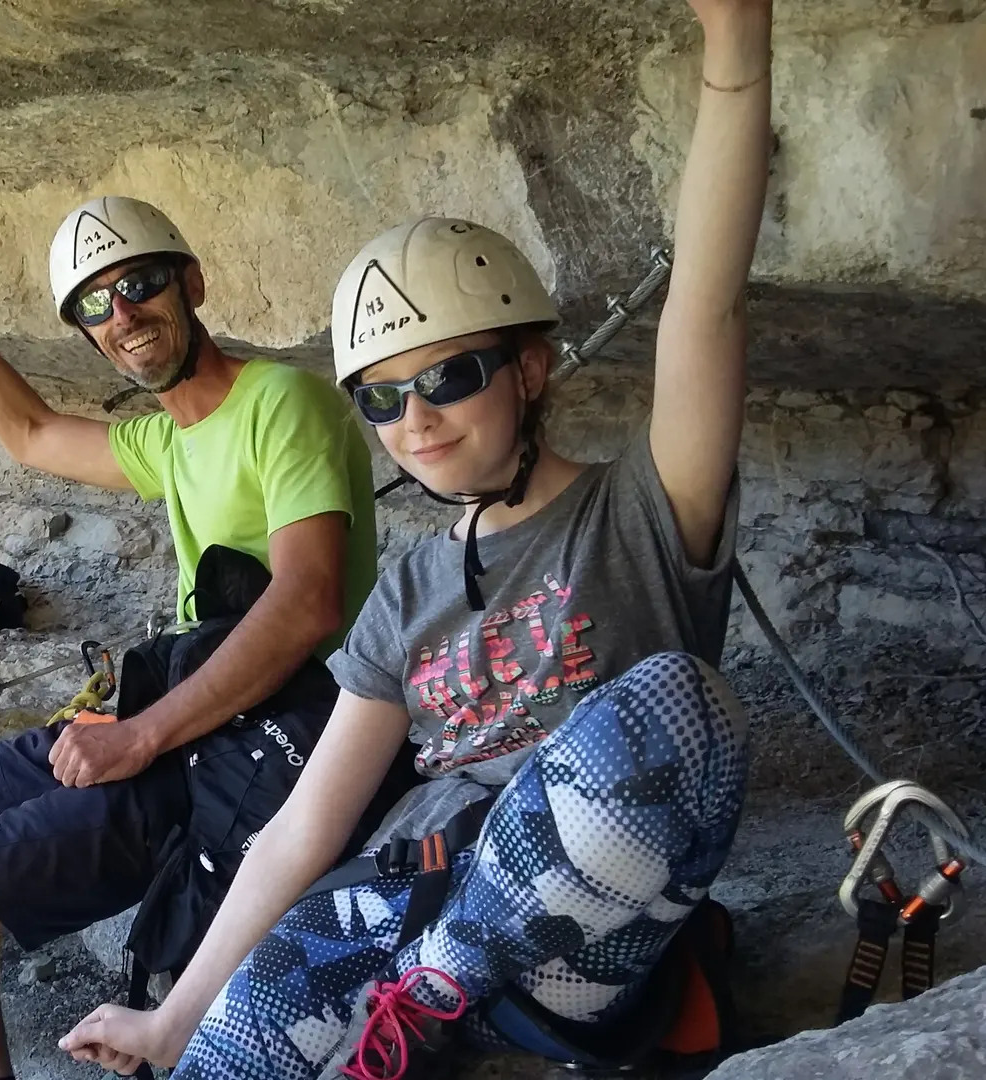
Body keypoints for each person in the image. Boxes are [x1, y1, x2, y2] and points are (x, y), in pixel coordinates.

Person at [57, 2, 770, 1076]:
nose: (417, 420)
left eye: (450, 376)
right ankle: (415, 1004)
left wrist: (735, 47)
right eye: (382, 400)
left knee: (679, 706)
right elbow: (303, 829)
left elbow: (704, 307)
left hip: (579, 936)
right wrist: (174, 1020)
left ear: (531, 369)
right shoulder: (411, 591)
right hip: (402, 905)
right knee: (222, 1055)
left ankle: (430, 1002)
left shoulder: (639, 514)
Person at [0, 172, 385, 1080]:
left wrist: (138, 736)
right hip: (176, 702)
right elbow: (25, 434)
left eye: (141, 285)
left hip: (252, 736)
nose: (123, 312)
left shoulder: (280, 404)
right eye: (97, 303)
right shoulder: (166, 440)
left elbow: (307, 604)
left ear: (194, 284)